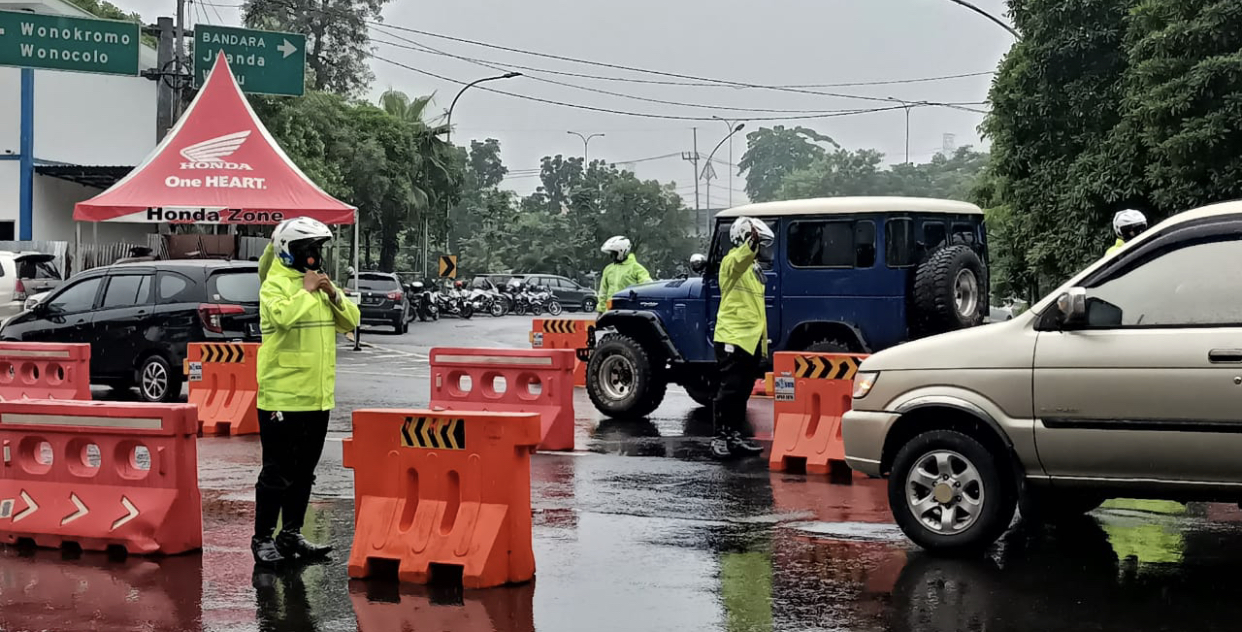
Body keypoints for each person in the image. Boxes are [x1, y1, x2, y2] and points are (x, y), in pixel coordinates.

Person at [252, 217, 360, 567]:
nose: (314, 256)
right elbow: (282, 317)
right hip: (282, 396)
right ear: (289, 251)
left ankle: (291, 533)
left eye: (317, 249)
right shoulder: (276, 284)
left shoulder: (317, 285)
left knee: (304, 472)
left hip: (317, 397)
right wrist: (307, 290)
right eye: (308, 250)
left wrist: (333, 294)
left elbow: (351, 321)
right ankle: (263, 538)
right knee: (277, 472)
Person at [711, 217, 774, 459]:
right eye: (758, 244)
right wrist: (751, 244)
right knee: (729, 390)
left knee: (742, 391)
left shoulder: (753, 270)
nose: (762, 250)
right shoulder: (731, 262)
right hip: (732, 337)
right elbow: (740, 259)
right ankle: (720, 437)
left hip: (750, 340)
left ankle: (735, 436)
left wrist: (762, 347)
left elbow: (757, 310)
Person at [597, 236, 652, 314]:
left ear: (621, 252)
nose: (611, 256)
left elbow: (648, 288)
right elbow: (603, 291)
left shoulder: (636, 268)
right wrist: (601, 310)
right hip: (610, 310)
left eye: (613, 253)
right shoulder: (608, 269)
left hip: (629, 311)